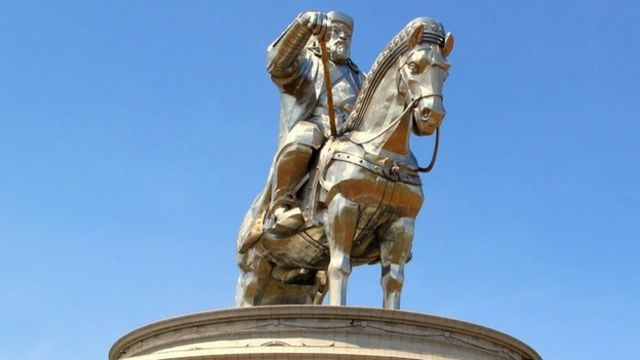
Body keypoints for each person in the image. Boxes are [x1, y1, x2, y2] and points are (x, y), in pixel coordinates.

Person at [265, 10, 365, 230]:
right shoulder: (309, 61)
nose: (342, 38)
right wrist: (302, 26)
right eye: (336, 32)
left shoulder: (360, 77)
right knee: (304, 137)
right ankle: (282, 204)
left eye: (347, 36)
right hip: (317, 123)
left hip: (351, 134)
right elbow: (277, 65)